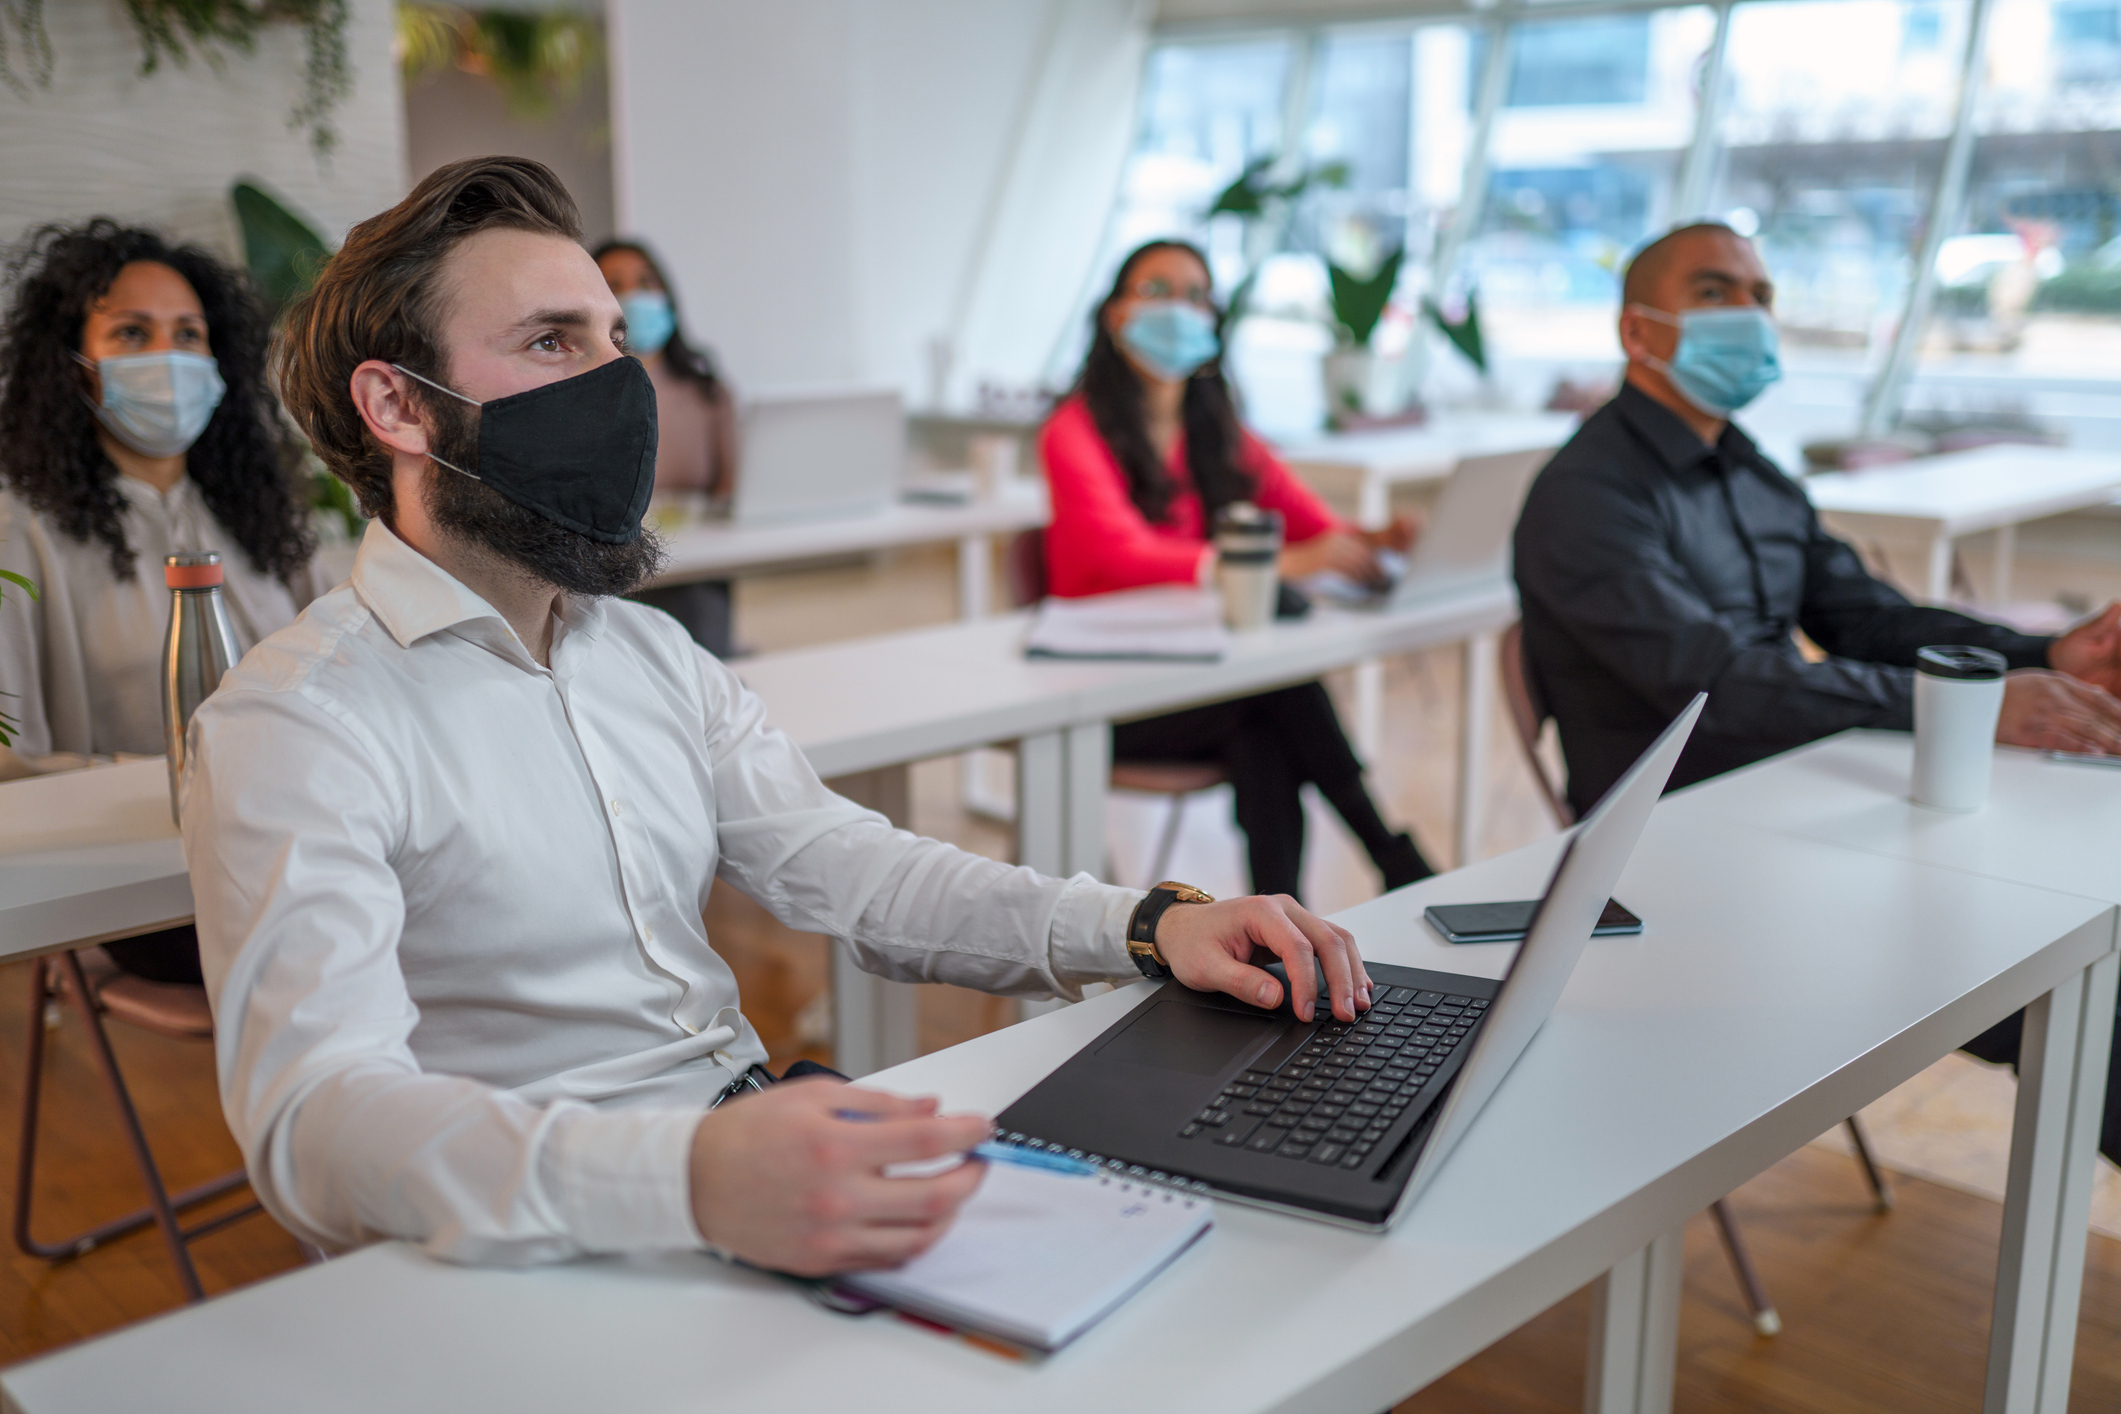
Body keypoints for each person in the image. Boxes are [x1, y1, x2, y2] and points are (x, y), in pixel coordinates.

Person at [184, 157, 1377, 1275]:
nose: (616, 383)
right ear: (399, 405)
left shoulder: (648, 653)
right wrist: (688, 1179)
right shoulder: (299, 719)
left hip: (759, 1153)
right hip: (553, 1241)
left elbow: (848, 868)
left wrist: (1147, 922)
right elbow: (315, 1123)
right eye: (551, 343)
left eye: (612, 338)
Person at [1513, 219, 2121, 1161]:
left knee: (2076, 919)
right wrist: (1962, 706)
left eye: (1761, 296)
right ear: (1639, 332)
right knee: (2065, 967)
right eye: (1716, 292)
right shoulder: (1584, 497)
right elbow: (1714, 683)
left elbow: (1863, 615)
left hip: (1807, 785)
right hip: (1687, 846)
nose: (1749, 315)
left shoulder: (1751, 469)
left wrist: (2041, 654)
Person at [1039, 239, 1432, 901]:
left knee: (1264, 725)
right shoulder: (1071, 430)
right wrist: (1268, 563)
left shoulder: (1216, 429)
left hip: (1201, 681)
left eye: (1196, 295)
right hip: (1102, 693)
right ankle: (1387, 857)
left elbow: (1306, 522)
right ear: (1113, 314)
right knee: (1273, 692)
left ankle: (1280, 930)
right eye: (1156, 290)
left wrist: (1373, 539)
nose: (1180, 309)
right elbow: (1117, 551)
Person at [0, 220, 321, 983]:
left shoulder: (260, 514)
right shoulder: (21, 536)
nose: (168, 359)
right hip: (163, 883)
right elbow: (9, 760)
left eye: (188, 335)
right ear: (76, 367)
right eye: (133, 334)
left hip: (311, 834)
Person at [593, 238, 739, 656]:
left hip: (695, 569)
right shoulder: (579, 395)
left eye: (646, 282)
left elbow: (732, 485)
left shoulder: (709, 391)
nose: (634, 296)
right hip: (611, 572)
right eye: (615, 284)